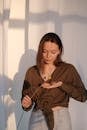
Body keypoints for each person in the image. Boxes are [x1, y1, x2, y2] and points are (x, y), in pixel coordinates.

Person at [21, 32, 87, 130]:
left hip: (61, 118)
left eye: (53, 52)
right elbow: (26, 101)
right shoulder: (32, 72)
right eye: (44, 51)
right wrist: (26, 104)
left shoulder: (68, 69)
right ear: (40, 50)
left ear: (59, 51)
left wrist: (62, 85)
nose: (48, 56)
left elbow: (83, 96)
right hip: (37, 117)